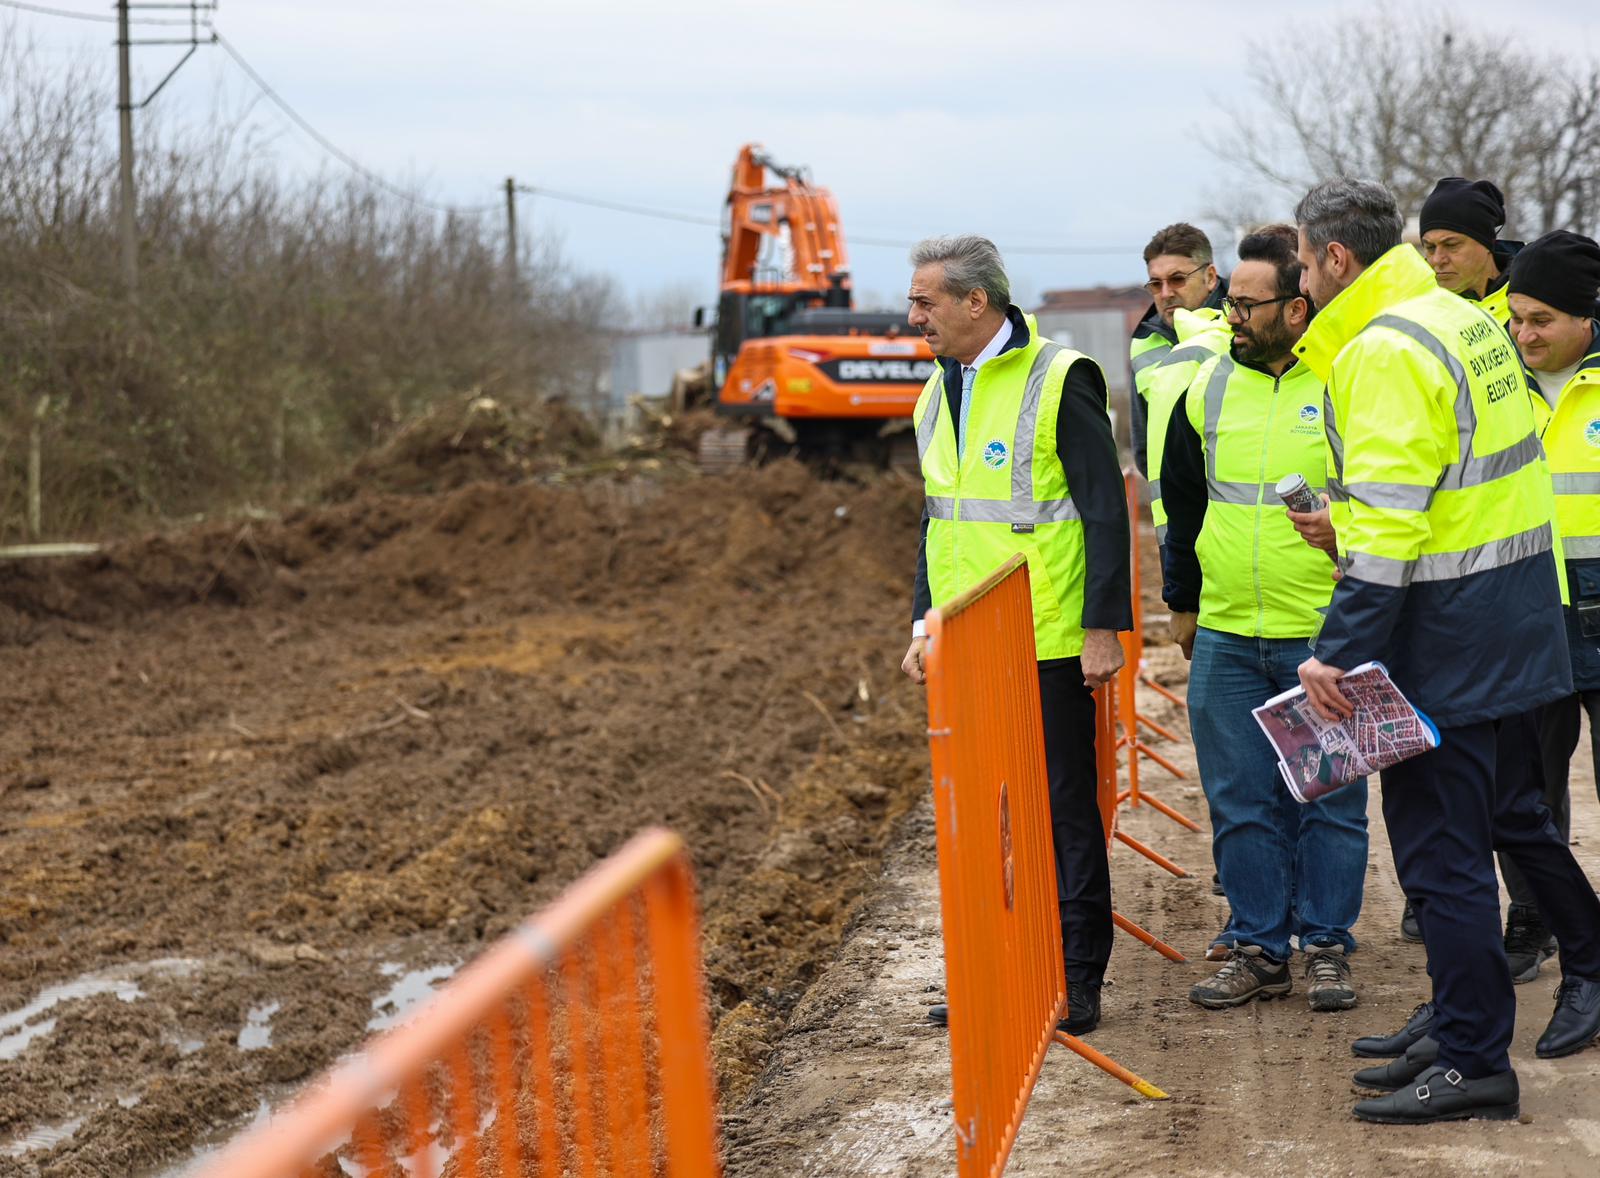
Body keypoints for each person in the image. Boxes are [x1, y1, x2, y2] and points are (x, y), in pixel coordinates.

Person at [1291, 178, 1600, 1125]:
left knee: (1442, 859)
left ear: (1337, 260)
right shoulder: (1460, 318)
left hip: (1450, 644)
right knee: (1503, 825)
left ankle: (1472, 1057)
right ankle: (1464, 1018)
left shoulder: (1387, 347)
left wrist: (1336, 653)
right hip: (1510, 625)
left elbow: (1389, 525)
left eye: (1304, 261)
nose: (1303, 281)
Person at [899, 234, 1131, 1035]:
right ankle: (997, 972)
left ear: (976, 302)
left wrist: (1104, 628)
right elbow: (938, 524)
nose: (913, 315)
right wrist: (923, 623)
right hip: (968, 645)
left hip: (1049, 639)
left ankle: (1075, 978)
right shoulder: (933, 394)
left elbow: (1105, 511)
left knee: (1061, 813)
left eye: (926, 300)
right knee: (984, 820)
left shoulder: (1059, 378)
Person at [1160, 225, 1368, 1013]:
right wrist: (1183, 603)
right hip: (1226, 633)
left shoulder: (1343, 383)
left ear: (1297, 305)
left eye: (1248, 305)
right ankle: (1257, 945)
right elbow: (1180, 506)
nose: (1232, 316)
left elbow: (1384, 501)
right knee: (1239, 800)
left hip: (1323, 632)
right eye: (1229, 302)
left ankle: (1326, 945)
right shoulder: (1208, 387)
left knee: (1330, 800)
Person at [1499, 231, 1600, 980]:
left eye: (1542, 320)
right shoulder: (1499, 391)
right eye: (1517, 318)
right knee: (1528, 792)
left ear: (1586, 315)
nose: (1525, 334)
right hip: (1530, 616)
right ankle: (1535, 921)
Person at [1129, 224, 1228, 477]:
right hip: (1173, 514)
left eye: (1177, 279)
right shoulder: (1144, 342)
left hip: (1238, 507)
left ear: (1210, 277)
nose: (1165, 293)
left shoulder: (1243, 323)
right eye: (1155, 284)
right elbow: (1144, 447)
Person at [1419, 177, 1522, 327]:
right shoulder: (1419, 311)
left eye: (1451, 245)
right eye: (1430, 247)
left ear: (1488, 242)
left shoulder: (1536, 297)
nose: (1437, 260)